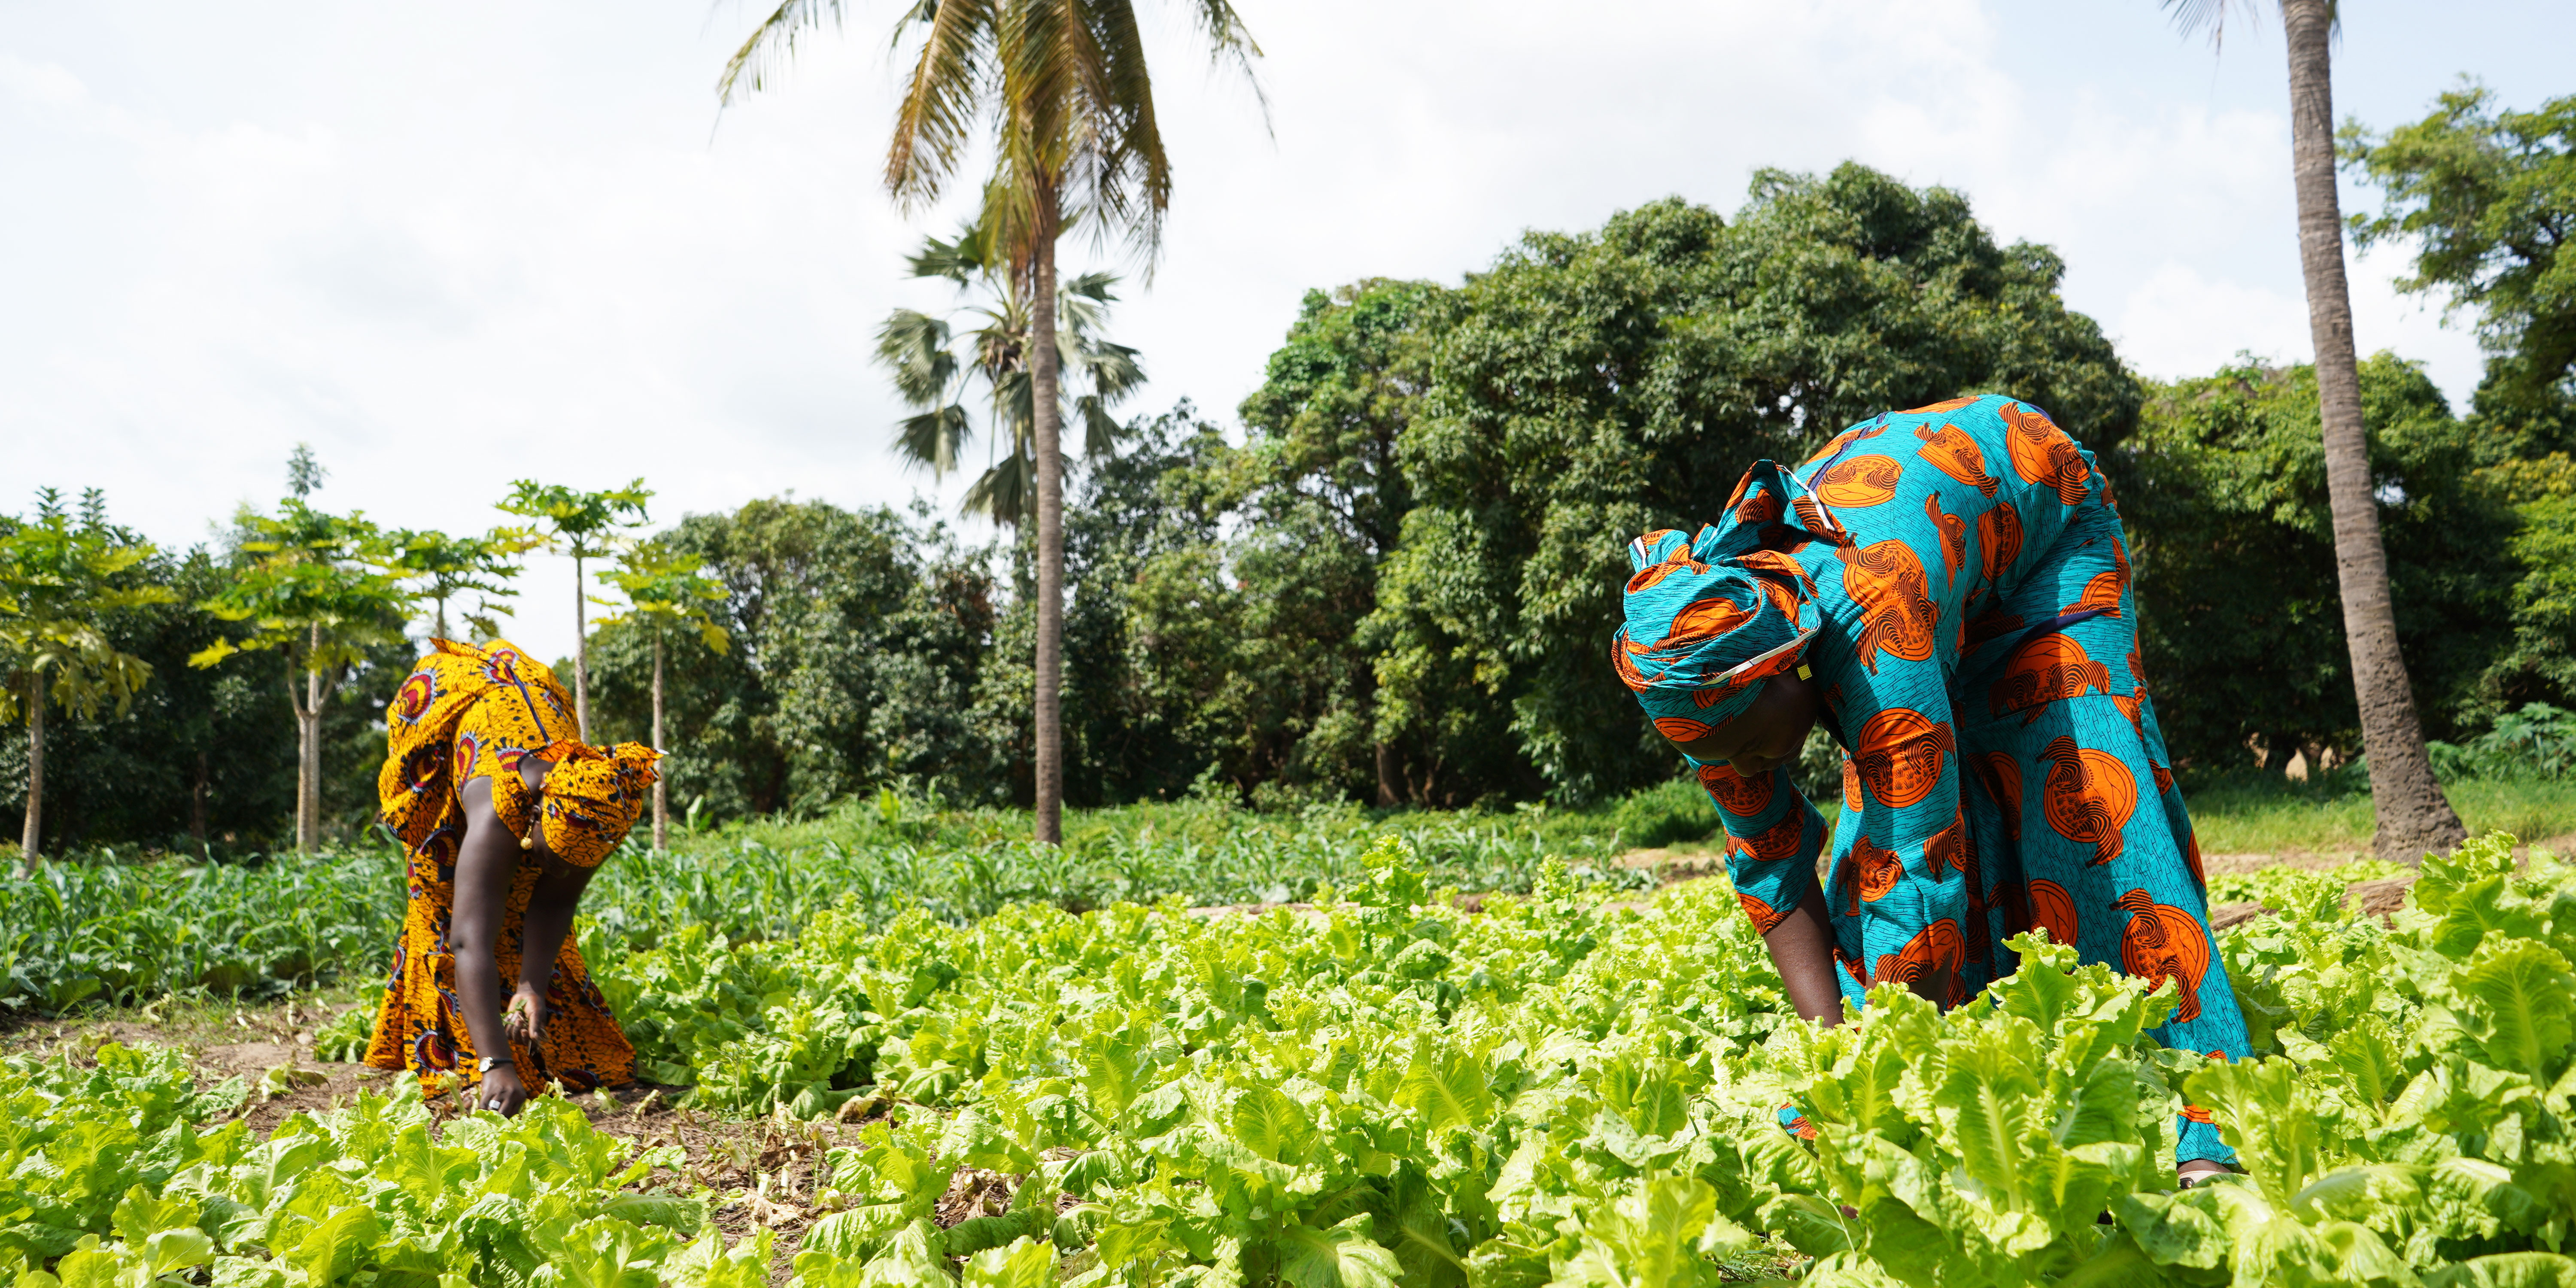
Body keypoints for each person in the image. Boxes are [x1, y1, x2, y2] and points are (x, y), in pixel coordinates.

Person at [1612, 394, 2248, 1185]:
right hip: (1931, 561)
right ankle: (2016, 1069)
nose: (1743, 770)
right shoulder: (1701, 681)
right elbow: (1767, 869)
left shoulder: (1872, 618)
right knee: (1876, 867)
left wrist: (1884, 1091)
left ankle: (2199, 1109)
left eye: (1748, 745)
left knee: (2082, 797)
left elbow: (1919, 856)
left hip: (2041, 522)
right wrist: (1840, 1062)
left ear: (1793, 667)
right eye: (1713, 759)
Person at [365, 638, 660, 1114]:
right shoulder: (491, 814)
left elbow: (557, 900)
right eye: (556, 854)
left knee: (528, 905)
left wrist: (530, 986)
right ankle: (462, 1051)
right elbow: (467, 942)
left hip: (530, 715)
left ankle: (525, 1015)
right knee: (448, 900)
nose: (561, 870)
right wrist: (495, 1064)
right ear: (539, 811)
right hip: (449, 736)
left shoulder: (593, 804)